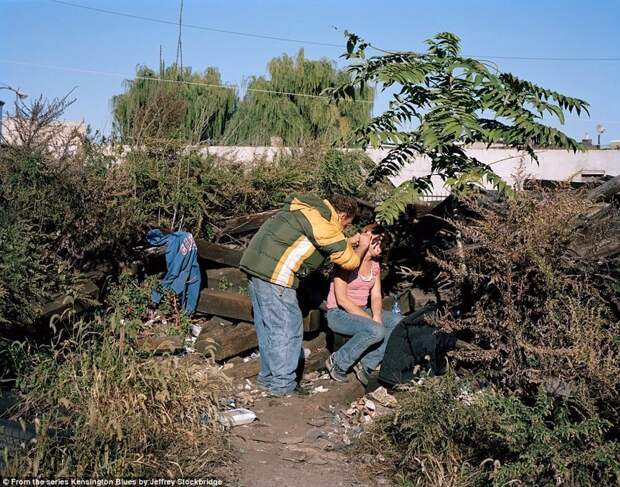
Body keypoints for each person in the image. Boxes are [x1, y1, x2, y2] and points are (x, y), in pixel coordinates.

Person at [240, 193, 372, 396]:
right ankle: (283, 386)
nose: (344, 229)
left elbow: (323, 238)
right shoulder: (324, 223)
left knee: (268, 327)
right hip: (276, 275)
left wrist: (347, 240)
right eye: (346, 225)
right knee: (288, 328)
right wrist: (362, 246)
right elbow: (349, 262)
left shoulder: (309, 210)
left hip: (257, 268)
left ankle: (268, 380)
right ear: (342, 215)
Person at [324, 224, 400, 386]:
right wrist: (371, 320)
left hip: (362, 310)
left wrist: (377, 315)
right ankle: (337, 362)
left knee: (399, 323)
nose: (382, 248)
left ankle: (366, 362)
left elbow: (376, 295)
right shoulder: (348, 261)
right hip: (339, 313)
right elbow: (342, 300)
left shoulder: (375, 266)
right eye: (379, 242)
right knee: (376, 330)